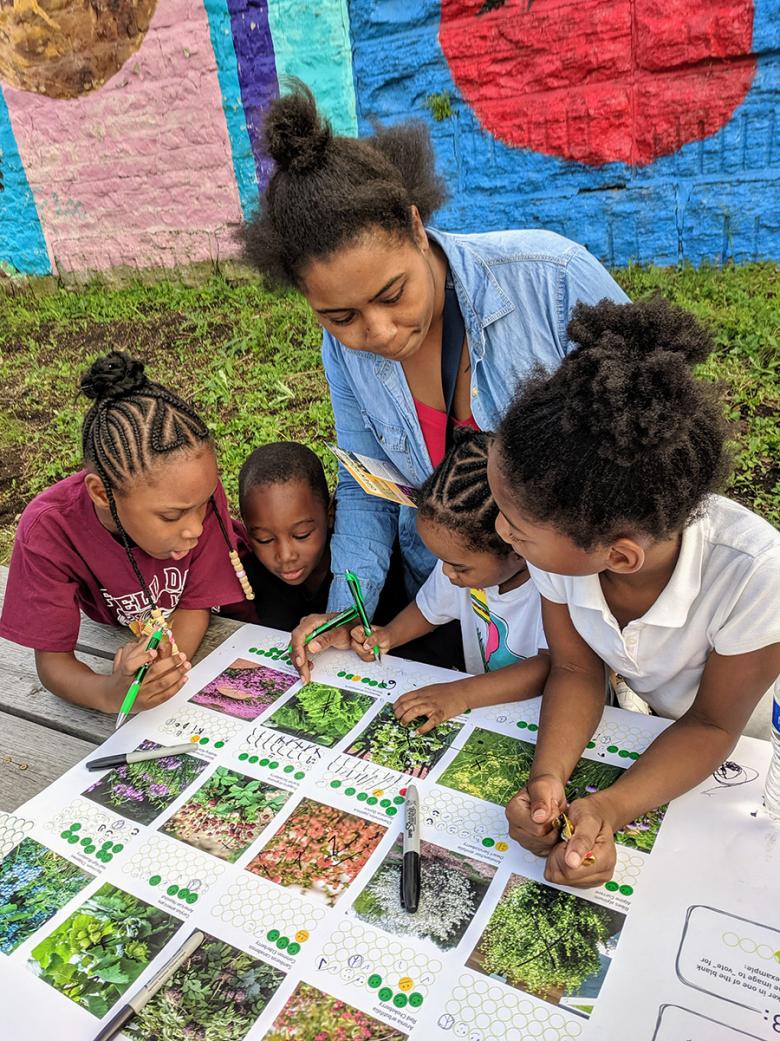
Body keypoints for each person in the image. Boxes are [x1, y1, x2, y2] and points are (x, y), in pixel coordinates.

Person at [241, 81, 629, 670]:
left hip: (589, 601)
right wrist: (349, 612)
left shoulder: (553, 281)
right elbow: (366, 487)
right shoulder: (340, 352)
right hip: (461, 600)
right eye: (340, 316)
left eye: (393, 294)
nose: (379, 333)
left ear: (416, 227)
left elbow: (646, 445)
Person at [486, 297, 780, 889]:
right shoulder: (564, 549)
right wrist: (549, 778)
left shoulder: (756, 576)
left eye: (518, 531)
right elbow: (574, 666)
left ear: (618, 557)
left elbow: (713, 727)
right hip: (659, 729)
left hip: (748, 754)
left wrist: (611, 808)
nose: (501, 533)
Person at [0, 352, 252, 715]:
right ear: (102, 494)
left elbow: (195, 607)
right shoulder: (49, 532)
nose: (195, 527)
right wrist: (109, 693)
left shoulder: (193, 493)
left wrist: (163, 661)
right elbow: (53, 663)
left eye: (202, 505)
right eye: (171, 516)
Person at [350, 429, 549, 734]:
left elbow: (550, 668)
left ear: (516, 548)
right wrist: (389, 635)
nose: (446, 573)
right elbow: (428, 609)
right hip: (487, 718)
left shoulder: (551, 585)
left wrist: (459, 694)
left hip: (545, 722)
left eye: (458, 567)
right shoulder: (462, 568)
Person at [234, 441, 333, 630]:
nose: (285, 555)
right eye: (265, 539)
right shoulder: (250, 577)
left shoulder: (366, 566)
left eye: (302, 535)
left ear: (330, 514)